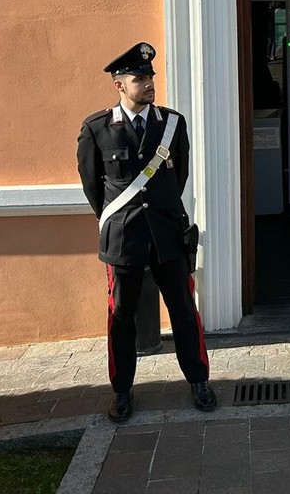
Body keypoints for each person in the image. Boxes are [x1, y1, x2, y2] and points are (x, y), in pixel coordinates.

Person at [76, 42, 216, 421]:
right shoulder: (96, 129)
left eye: (150, 77)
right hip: (124, 238)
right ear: (119, 85)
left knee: (184, 311)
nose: (149, 84)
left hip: (168, 236)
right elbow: (93, 187)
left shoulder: (171, 124)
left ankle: (199, 381)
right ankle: (122, 391)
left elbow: (178, 176)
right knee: (122, 317)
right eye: (139, 79)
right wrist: (120, 220)